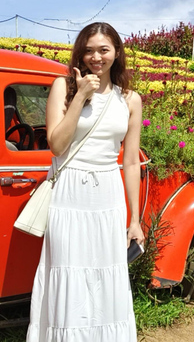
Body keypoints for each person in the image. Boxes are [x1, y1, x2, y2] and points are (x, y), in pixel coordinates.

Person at [27, 22, 144, 342]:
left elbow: (130, 161)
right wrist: (81, 97)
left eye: (103, 49)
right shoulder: (62, 88)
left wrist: (134, 219)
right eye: (89, 50)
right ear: (80, 53)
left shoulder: (131, 99)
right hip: (69, 194)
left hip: (108, 195)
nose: (96, 56)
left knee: (106, 273)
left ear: (116, 53)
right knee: (69, 270)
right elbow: (56, 145)